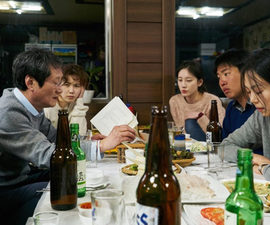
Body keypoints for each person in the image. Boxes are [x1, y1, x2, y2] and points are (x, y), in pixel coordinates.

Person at [0, 48, 136, 225]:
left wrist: (90, 142)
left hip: (22, 177)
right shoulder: (9, 113)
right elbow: (52, 156)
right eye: (58, 83)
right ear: (31, 82)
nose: (60, 90)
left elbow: (59, 141)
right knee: (68, 193)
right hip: (7, 189)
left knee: (80, 184)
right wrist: (100, 147)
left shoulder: (32, 107)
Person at [223, 46, 270, 194]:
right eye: (248, 92)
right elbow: (225, 147)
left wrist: (262, 167)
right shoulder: (264, 116)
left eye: (258, 91)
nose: (252, 99)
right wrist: (252, 157)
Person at [215, 49, 263, 155]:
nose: (222, 82)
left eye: (226, 74)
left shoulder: (262, 107)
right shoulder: (231, 108)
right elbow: (224, 146)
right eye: (219, 77)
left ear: (246, 73)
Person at [169, 60, 225, 141]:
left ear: (199, 82)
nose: (183, 85)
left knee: (190, 122)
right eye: (180, 80)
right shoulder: (174, 101)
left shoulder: (212, 101)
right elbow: (180, 130)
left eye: (188, 80)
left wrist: (200, 116)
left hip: (209, 145)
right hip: (185, 145)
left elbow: (220, 133)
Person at [44, 64, 89, 137]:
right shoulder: (48, 107)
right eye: (67, 84)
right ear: (57, 85)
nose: (71, 91)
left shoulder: (76, 106)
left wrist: (80, 100)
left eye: (76, 86)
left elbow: (79, 137)